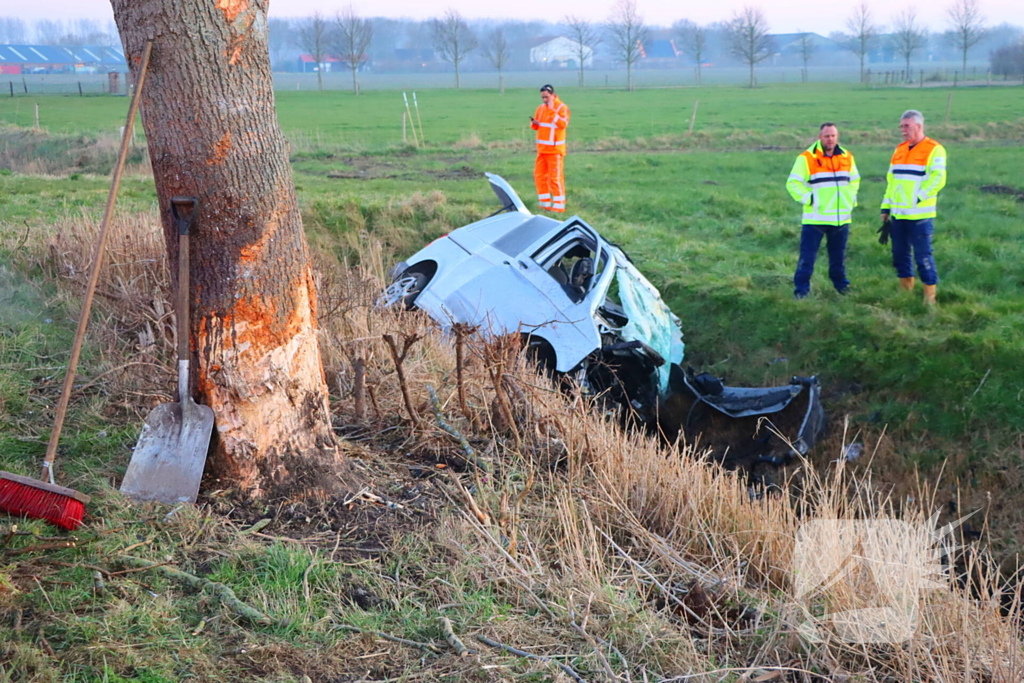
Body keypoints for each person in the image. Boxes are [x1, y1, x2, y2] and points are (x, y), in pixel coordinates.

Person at [879, 110, 947, 305]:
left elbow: (938, 179)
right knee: (900, 255)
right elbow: (891, 182)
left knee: (923, 256)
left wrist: (918, 197)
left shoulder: (934, 149)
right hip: (898, 215)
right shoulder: (899, 150)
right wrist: (886, 207)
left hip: (920, 215)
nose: (903, 130)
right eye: (901, 126)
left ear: (918, 126)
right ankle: (905, 293)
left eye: (906, 126)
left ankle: (929, 298)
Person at [786, 122, 861, 299]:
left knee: (838, 258)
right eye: (827, 136)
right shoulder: (806, 158)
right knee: (807, 259)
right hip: (816, 219)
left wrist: (849, 200)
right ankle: (801, 292)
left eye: (833, 135)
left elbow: (855, 180)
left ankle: (842, 287)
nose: (830, 139)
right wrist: (811, 199)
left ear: (837, 136)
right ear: (820, 137)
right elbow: (793, 183)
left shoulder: (847, 156)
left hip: (841, 218)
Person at [530, 85, 570, 213]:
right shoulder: (540, 108)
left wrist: (552, 111)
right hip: (542, 150)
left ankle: (559, 207)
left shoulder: (562, 108)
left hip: (555, 151)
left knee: (555, 178)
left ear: (553, 95)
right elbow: (538, 126)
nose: (545, 100)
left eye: (547, 97)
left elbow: (563, 124)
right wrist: (534, 124)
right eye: (543, 97)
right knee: (539, 177)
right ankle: (544, 204)